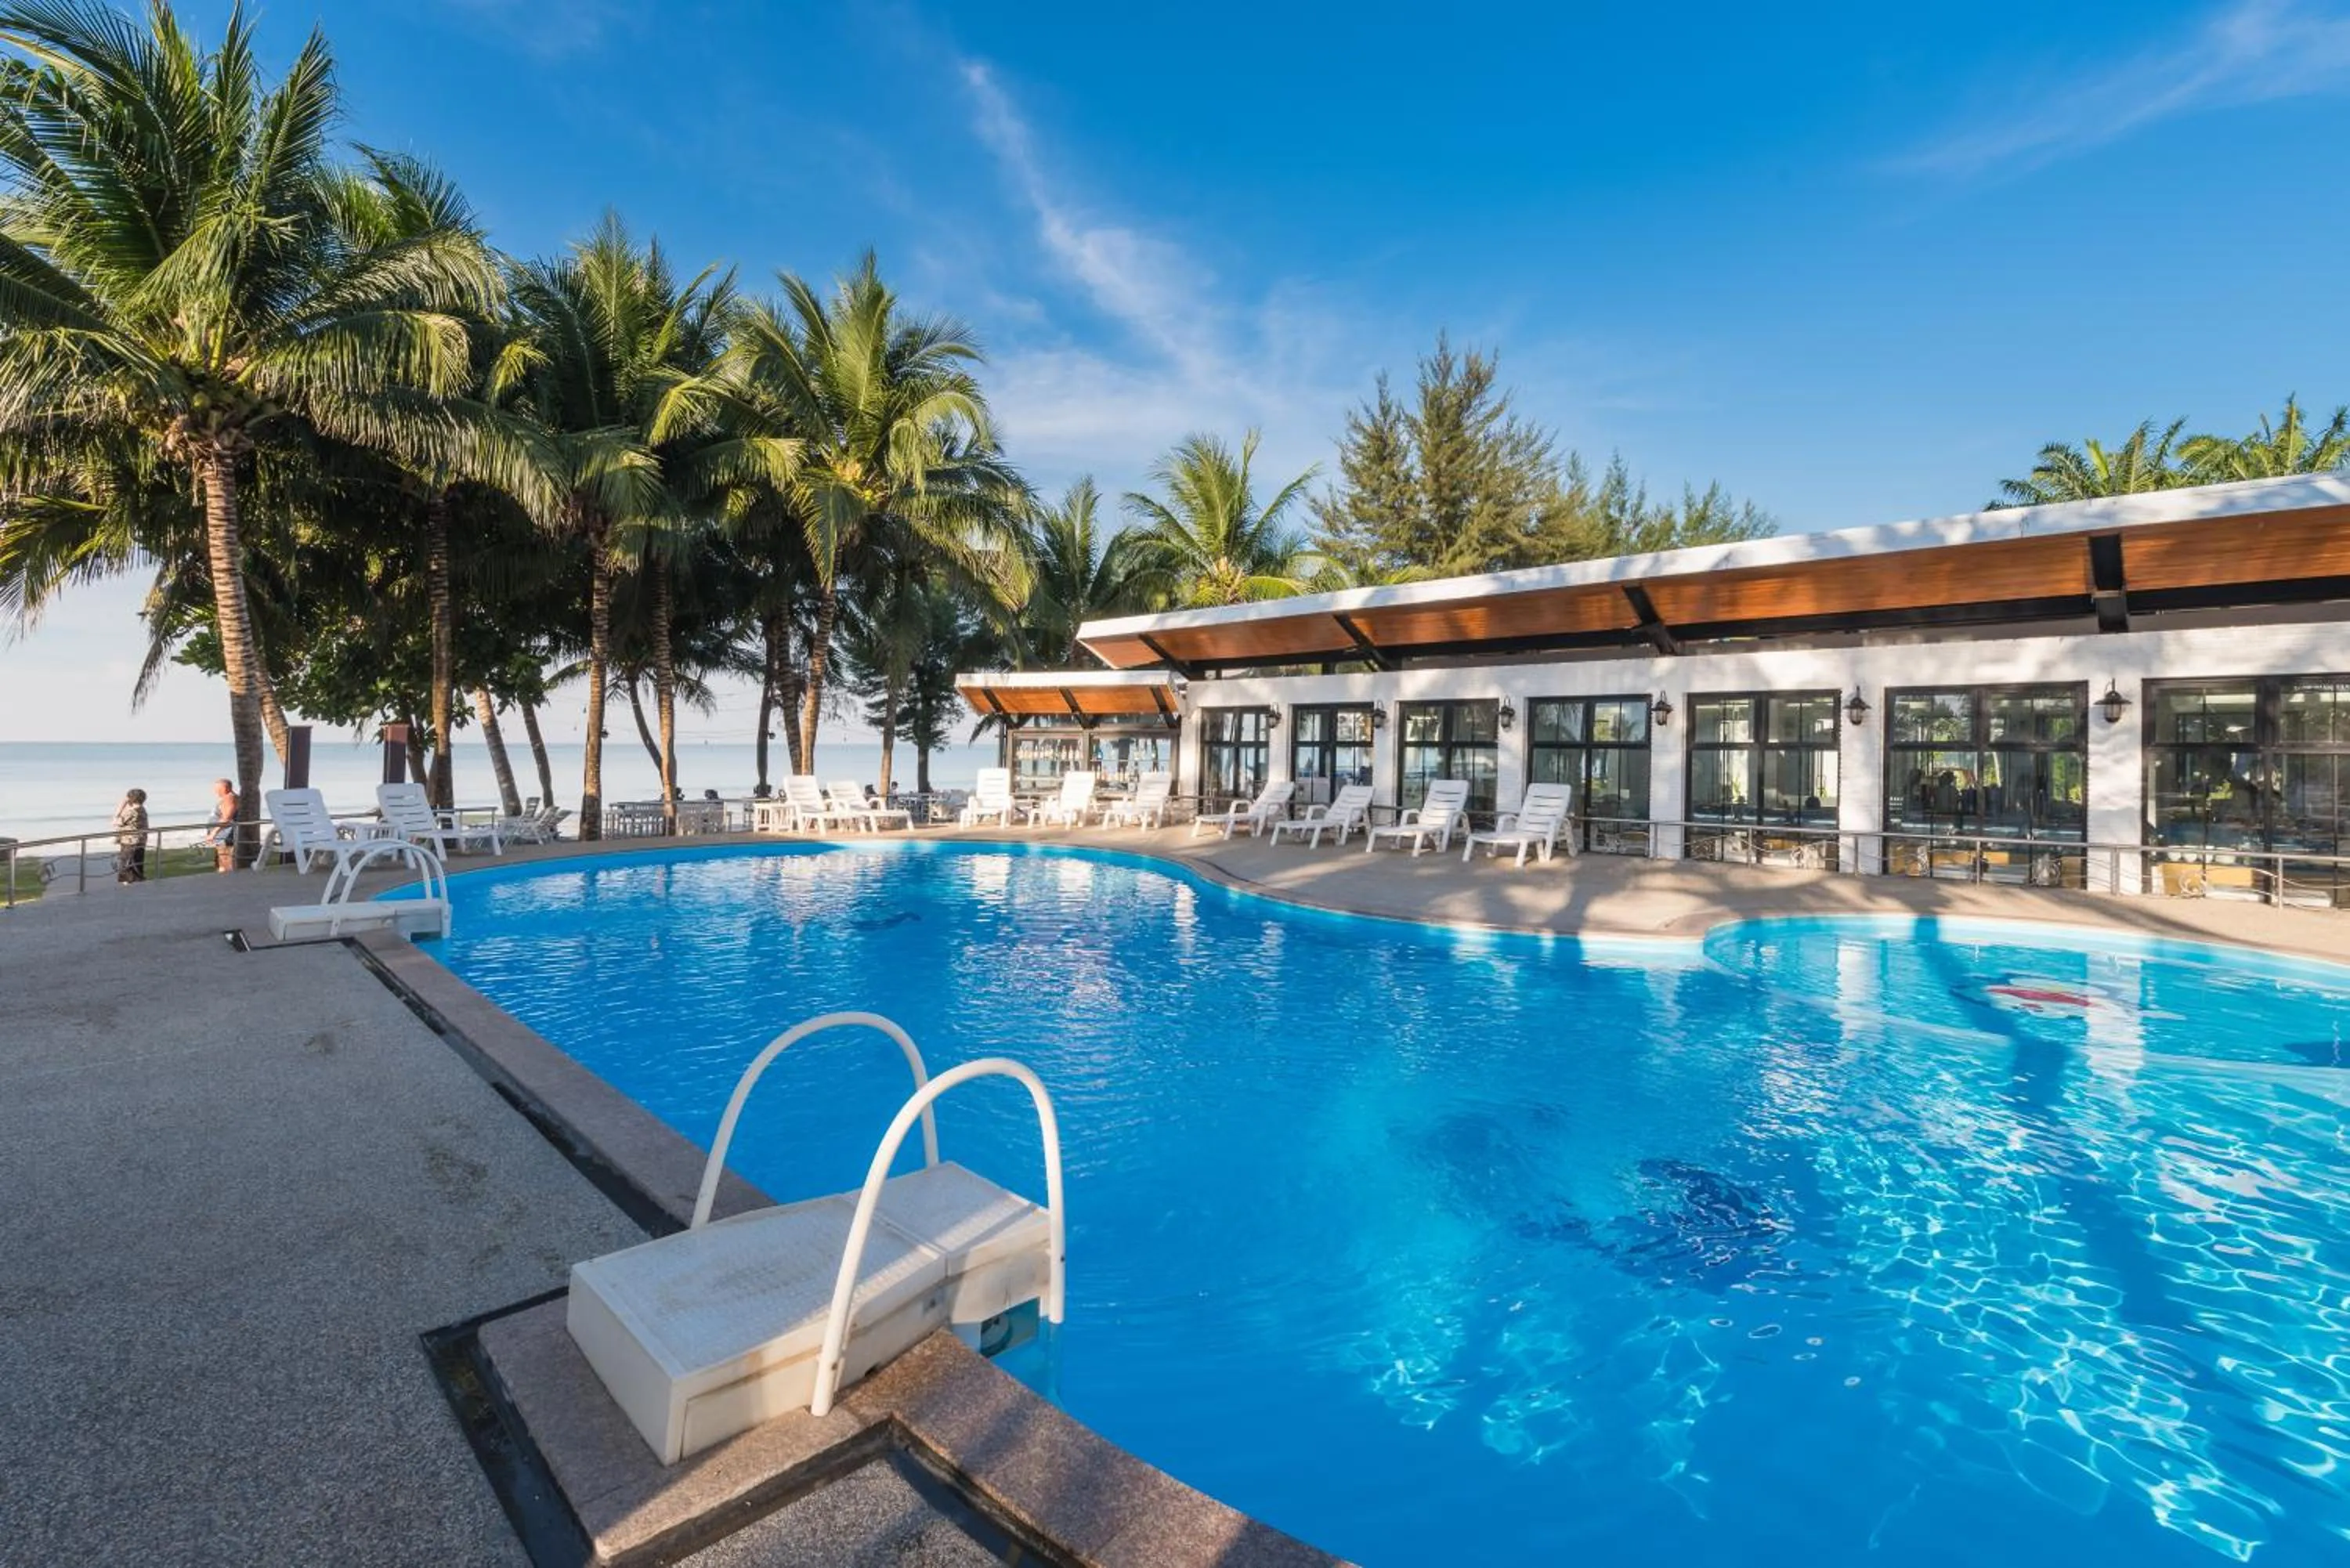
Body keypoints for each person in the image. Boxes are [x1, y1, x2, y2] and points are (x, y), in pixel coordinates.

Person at [114, 788, 149, 884]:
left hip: (129, 841)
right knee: (137, 862)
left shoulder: (132, 811)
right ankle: (137, 881)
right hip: (140, 840)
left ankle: (128, 883)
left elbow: (116, 822)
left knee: (126, 863)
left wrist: (121, 806)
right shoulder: (142, 809)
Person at [203, 778, 238, 872]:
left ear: (224, 788)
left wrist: (213, 833)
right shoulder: (228, 798)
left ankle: (227, 885)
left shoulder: (229, 798)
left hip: (225, 838)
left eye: (217, 789)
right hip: (222, 838)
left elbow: (226, 818)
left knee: (225, 866)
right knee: (221, 865)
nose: (215, 792)